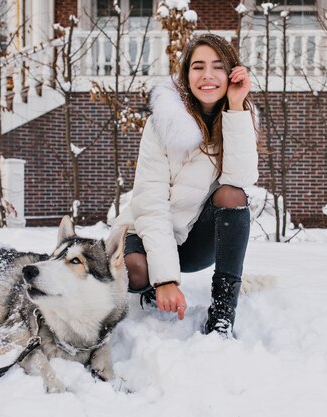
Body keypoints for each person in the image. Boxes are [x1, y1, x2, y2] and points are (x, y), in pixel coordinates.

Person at [108, 33, 258, 336]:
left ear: (230, 73)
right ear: (186, 75)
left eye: (217, 67)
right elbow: (149, 203)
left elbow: (240, 183)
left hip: (193, 242)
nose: (207, 76)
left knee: (232, 195)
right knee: (135, 272)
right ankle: (151, 291)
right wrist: (163, 280)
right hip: (146, 234)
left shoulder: (236, 118)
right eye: (198, 66)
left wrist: (237, 106)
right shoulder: (162, 123)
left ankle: (223, 311)